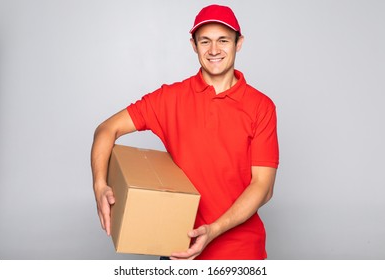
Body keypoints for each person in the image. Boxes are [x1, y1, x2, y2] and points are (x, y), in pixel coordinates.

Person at [91, 4, 279, 260]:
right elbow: (106, 129)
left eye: (223, 40)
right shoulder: (170, 98)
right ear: (194, 45)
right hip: (178, 248)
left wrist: (213, 230)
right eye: (205, 41)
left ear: (239, 43)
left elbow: (263, 187)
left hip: (241, 253)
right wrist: (100, 185)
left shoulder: (261, 107)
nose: (214, 50)